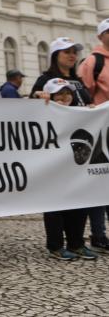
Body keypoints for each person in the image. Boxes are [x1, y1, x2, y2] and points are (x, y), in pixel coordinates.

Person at [29, 37, 98, 262]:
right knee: (55, 200)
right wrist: (39, 97)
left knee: (80, 197)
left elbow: (88, 105)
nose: (72, 55)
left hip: (78, 150)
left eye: (74, 51)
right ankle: (56, 245)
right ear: (55, 55)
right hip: (54, 151)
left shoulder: (78, 81)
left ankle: (77, 243)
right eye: (66, 51)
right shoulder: (45, 79)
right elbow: (31, 106)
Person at [79, 19, 109, 251]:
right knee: (100, 184)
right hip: (101, 130)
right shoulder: (93, 61)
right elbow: (84, 93)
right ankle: (99, 234)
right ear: (100, 36)